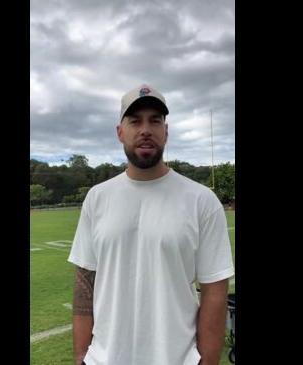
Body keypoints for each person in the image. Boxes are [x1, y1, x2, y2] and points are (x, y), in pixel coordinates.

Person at [68, 84, 234, 365]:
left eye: (155, 120)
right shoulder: (97, 198)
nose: (146, 129)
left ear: (166, 132)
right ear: (120, 132)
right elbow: (85, 279)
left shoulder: (201, 200)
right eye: (135, 121)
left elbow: (215, 291)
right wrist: (81, 356)